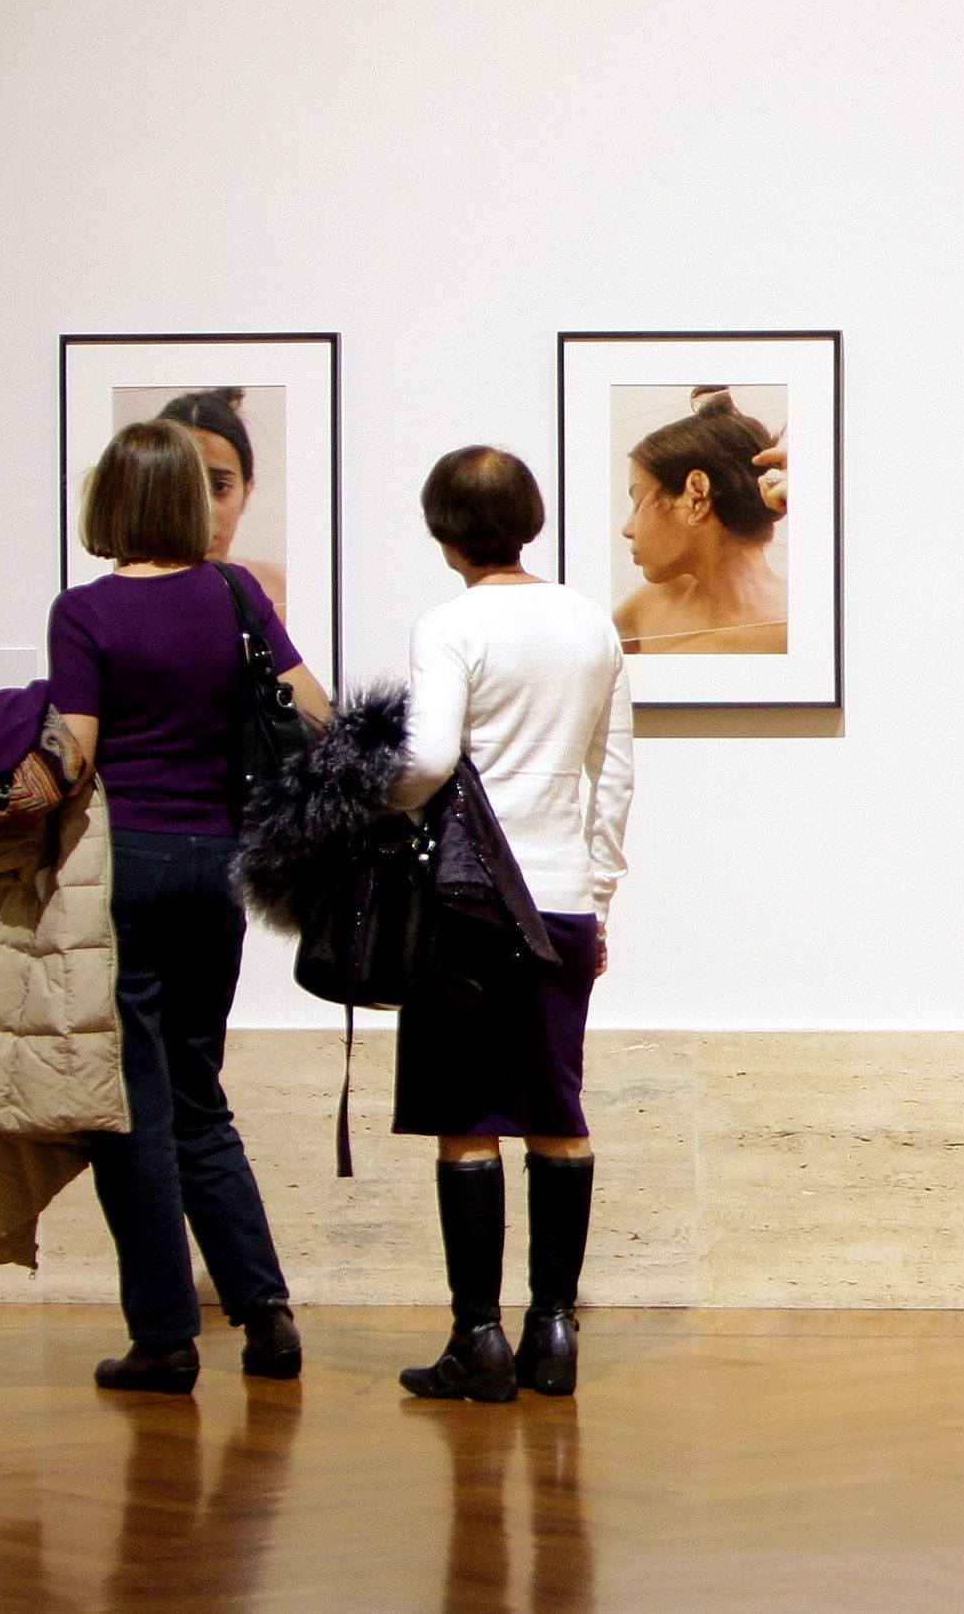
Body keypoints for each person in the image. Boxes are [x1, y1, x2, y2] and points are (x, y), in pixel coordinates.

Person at [47, 418, 330, 1394]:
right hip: (218, 869)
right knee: (199, 1095)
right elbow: (315, 713)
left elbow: (75, 752)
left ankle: (165, 1336)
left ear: (112, 499)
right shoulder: (235, 593)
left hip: (121, 873)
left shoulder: (84, 614)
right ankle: (267, 1315)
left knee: (131, 1108)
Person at [391, 446, 634, 1402]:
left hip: (468, 904)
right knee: (556, 1111)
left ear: (443, 529)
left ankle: (478, 1338)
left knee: (465, 1120)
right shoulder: (589, 624)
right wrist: (600, 894)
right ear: (529, 517)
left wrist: (367, 797)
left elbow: (422, 761)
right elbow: (612, 776)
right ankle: (556, 1329)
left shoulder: (451, 624)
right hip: (564, 895)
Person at [616, 387, 789, 654]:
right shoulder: (648, 608)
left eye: (638, 502)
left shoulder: (800, 627)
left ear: (697, 496)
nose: (627, 530)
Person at [156, 388, 287, 621]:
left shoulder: (278, 591)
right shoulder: (108, 605)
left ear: (246, 491)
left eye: (218, 486)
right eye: (179, 486)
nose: (201, 510)